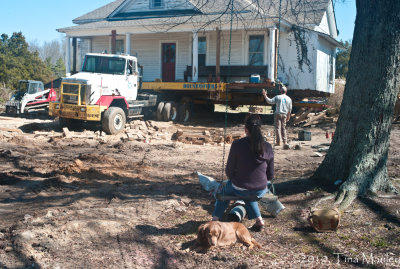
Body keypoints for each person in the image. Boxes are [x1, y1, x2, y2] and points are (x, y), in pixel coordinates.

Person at [212, 114, 274, 231]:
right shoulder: (268, 146)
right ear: (260, 129)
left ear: (246, 129)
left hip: (241, 186)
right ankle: (259, 220)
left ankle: (215, 218)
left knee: (225, 192)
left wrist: (233, 178)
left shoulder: (237, 145)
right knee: (248, 194)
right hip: (260, 188)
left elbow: (229, 170)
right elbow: (270, 175)